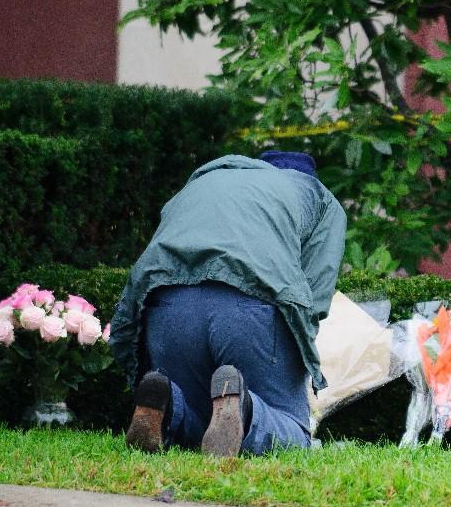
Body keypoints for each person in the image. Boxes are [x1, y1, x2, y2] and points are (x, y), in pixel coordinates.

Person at [108, 151, 345, 456]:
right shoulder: (319, 198)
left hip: (166, 307)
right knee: (294, 432)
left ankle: (165, 402)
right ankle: (244, 407)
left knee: (197, 412)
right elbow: (314, 294)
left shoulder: (201, 183)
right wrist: (299, 358)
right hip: (250, 309)